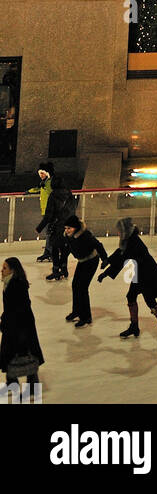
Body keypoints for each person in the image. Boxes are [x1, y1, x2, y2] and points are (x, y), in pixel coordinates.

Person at [98, 218, 157, 343]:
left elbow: (123, 258)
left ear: (124, 231)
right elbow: (120, 253)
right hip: (138, 274)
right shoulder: (128, 240)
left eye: (119, 231)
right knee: (131, 297)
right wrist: (108, 262)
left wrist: (106, 271)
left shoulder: (133, 242)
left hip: (147, 275)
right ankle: (134, 326)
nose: (117, 233)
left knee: (150, 301)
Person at [0, 258, 43, 396]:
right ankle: (15, 383)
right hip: (16, 324)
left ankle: (27, 385)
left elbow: (20, 308)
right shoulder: (10, 282)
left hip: (20, 325)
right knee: (15, 353)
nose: (2, 270)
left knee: (21, 353)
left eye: (5, 268)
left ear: (12, 270)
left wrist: (6, 322)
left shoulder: (16, 285)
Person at [63, 216, 107, 327]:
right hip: (82, 261)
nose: (67, 230)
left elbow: (98, 245)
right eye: (66, 228)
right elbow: (67, 250)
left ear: (76, 228)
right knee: (75, 285)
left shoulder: (85, 236)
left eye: (69, 228)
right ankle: (76, 311)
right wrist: (62, 264)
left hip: (91, 260)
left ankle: (86, 317)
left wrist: (105, 259)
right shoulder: (68, 236)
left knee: (82, 287)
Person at [36, 166, 75, 280]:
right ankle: (64, 269)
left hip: (56, 226)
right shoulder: (69, 194)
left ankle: (56, 270)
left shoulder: (53, 196)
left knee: (54, 248)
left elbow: (49, 214)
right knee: (64, 248)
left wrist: (39, 227)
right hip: (68, 226)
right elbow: (73, 209)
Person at [28, 164, 53, 262]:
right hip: (45, 210)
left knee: (49, 232)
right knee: (48, 232)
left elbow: (51, 191)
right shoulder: (44, 182)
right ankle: (48, 251)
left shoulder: (50, 182)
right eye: (40, 174)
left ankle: (49, 252)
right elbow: (38, 188)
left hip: (50, 211)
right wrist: (29, 191)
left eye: (43, 173)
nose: (41, 175)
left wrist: (44, 186)